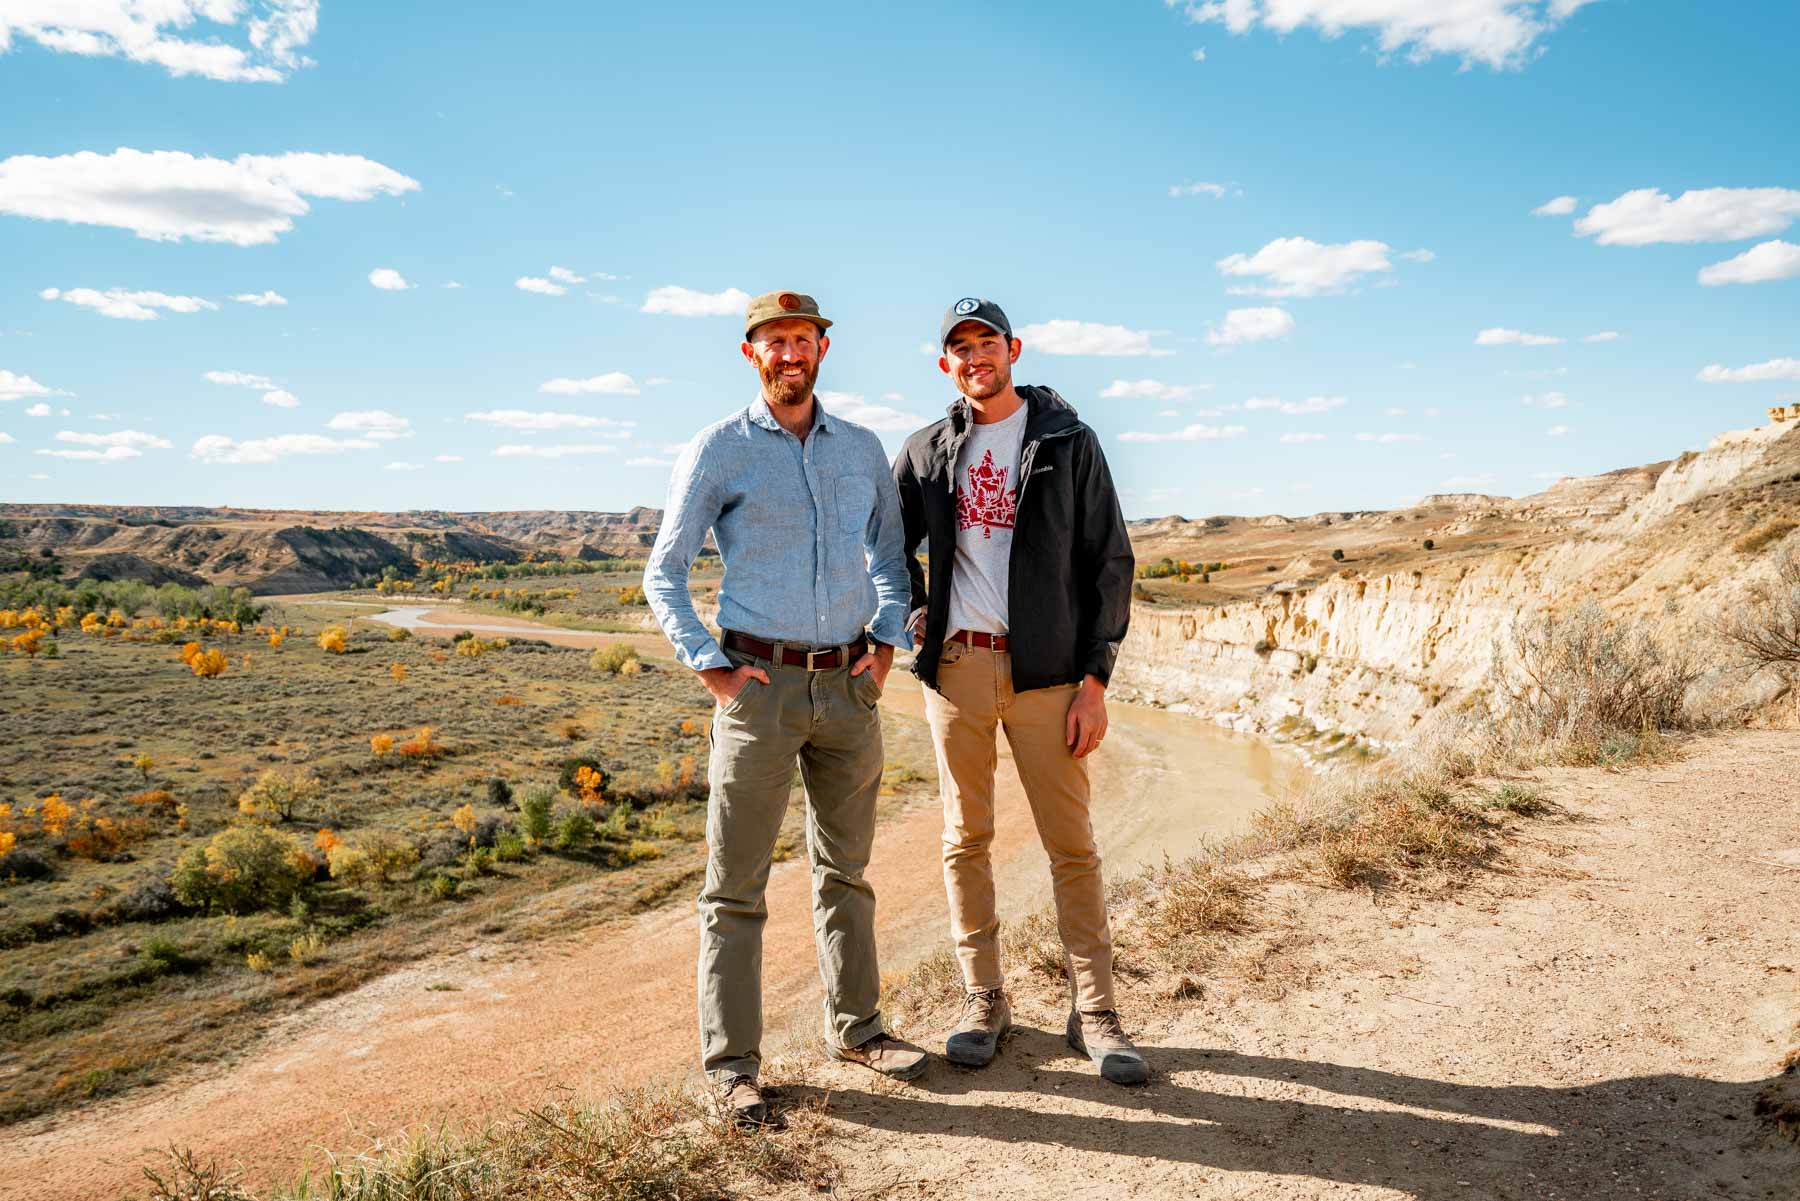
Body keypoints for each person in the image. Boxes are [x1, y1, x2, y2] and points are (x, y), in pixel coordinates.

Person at [643, 289, 927, 1127]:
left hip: (848, 689)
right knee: (734, 888)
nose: (789, 353)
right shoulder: (718, 450)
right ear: (751, 353)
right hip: (757, 689)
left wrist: (882, 647)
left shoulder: (861, 448)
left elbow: (889, 553)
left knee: (848, 870)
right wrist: (712, 668)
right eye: (774, 341)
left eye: (802, 339)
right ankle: (733, 1068)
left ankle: (862, 1029)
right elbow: (665, 571)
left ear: (822, 349)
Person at [892, 297, 1144, 1084]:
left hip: (1049, 674)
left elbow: (1111, 561)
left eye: (987, 342)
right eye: (960, 347)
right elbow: (887, 545)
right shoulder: (927, 449)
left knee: (1071, 844)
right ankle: (984, 998)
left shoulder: (1068, 441)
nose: (976, 357)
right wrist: (910, 608)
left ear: (1014, 350)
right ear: (946, 363)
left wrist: (1095, 678)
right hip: (958, 670)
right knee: (964, 839)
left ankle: (1095, 1011)